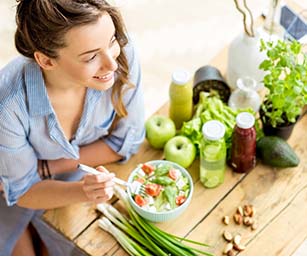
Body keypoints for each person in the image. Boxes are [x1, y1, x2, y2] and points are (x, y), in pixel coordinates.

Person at [0, 0, 145, 255]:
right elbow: (23, 190)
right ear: (45, 60)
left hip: (53, 175)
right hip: (9, 181)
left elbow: (127, 141)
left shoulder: (121, 56)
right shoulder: (10, 105)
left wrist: (50, 167)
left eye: (111, 40)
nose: (111, 63)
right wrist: (83, 190)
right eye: (90, 57)